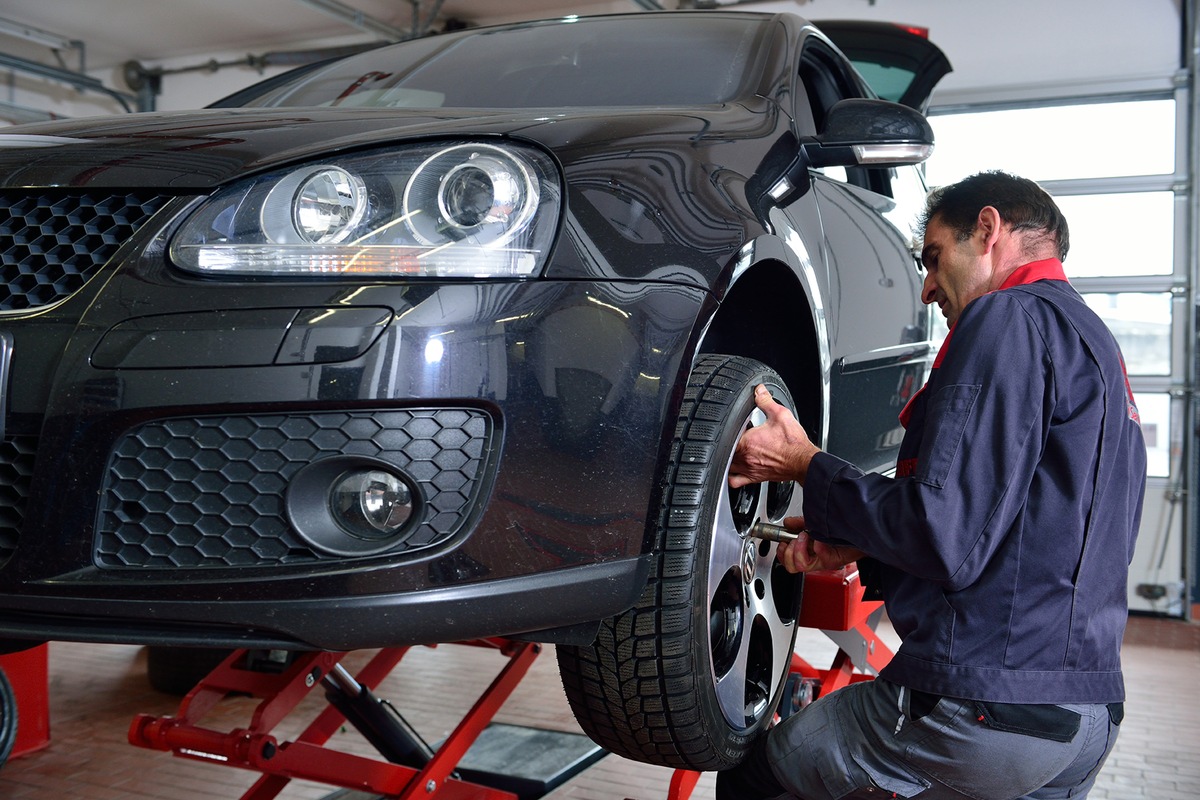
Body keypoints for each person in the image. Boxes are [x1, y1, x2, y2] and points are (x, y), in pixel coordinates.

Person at [720, 170, 1147, 800]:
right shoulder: (1096, 346)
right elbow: (1018, 530)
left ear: (988, 229)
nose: (925, 289)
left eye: (933, 257)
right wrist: (861, 542)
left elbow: (942, 532)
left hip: (985, 705)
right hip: (1083, 720)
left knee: (759, 779)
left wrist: (807, 463)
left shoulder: (1007, 317)